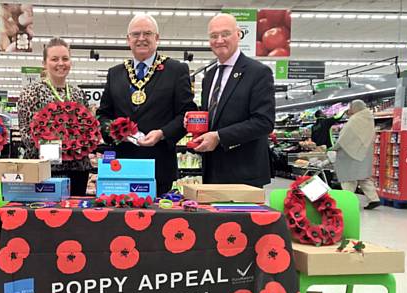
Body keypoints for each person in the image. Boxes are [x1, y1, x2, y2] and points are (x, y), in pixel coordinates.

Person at [97, 14, 197, 195]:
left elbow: (187, 113)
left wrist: (162, 133)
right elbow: (103, 115)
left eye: (147, 33)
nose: (141, 38)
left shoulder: (176, 70)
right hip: (121, 166)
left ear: (157, 38)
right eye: (136, 34)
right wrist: (115, 131)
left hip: (159, 166)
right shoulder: (115, 74)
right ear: (128, 39)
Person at [189, 14, 275, 187]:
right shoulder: (209, 76)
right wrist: (194, 121)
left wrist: (220, 137)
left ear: (238, 35)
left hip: (244, 174)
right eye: (214, 36)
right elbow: (214, 115)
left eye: (225, 34)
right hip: (212, 172)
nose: (219, 40)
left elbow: (264, 122)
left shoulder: (258, 73)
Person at [17, 37, 91, 196]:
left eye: (65, 58)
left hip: (78, 170)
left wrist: (85, 142)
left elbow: (88, 128)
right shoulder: (31, 93)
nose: (61, 63)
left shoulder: (78, 93)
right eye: (54, 59)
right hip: (44, 171)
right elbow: (26, 134)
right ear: (44, 63)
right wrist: (60, 148)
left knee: (76, 217)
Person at [329, 100, 380, 210]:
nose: (350, 109)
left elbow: (345, 137)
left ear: (356, 107)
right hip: (365, 152)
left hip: (350, 153)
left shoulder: (355, 119)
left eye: (351, 107)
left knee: (348, 178)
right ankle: (374, 199)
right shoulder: (368, 117)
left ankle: (348, 201)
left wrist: (334, 148)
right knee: (363, 176)